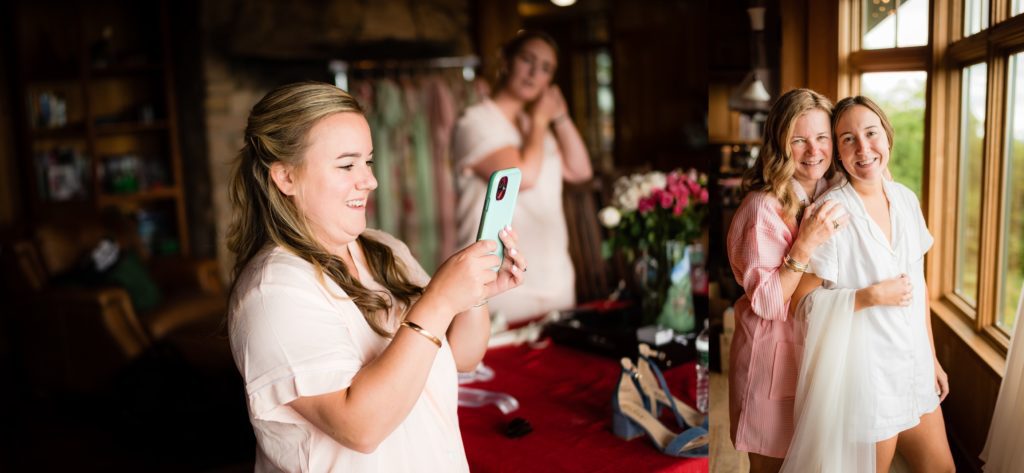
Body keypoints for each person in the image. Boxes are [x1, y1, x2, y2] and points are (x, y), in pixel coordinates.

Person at [226, 82, 528, 472]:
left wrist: (473, 295)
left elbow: (463, 357)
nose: (370, 181)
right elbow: (361, 427)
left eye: (367, 162)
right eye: (347, 164)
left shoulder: (384, 250)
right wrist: (438, 300)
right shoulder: (273, 292)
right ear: (285, 178)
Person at [726, 88, 908, 473]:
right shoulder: (763, 208)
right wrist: (804, 244)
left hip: (821, 355)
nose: (814, 151)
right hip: (772, 358)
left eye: (823, 138)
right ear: (779, 144)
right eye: (799, 140)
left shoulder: (832, 190)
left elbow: (878, 180)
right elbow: (771, 304)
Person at [784, 96, 954, 473]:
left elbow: (918, 287)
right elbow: (800, 302)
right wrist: (867, 297)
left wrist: (932, 358)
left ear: (887, 138)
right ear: (839, 155)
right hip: (869, 380)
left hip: (914, 367)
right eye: (847, 139)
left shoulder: (907, 201)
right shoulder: (831, 212)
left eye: (871, 133)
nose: (863, 148)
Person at [451, 30, 592, 323]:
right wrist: (541, 120)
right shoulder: (476, 121)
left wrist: (560, 116)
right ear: (506, 62)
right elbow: (523, 178)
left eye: (545, 69)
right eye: (527, 60)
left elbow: (580, 171)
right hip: (504, 280)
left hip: (556, 277)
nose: (533, 73)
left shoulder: (534, 125)